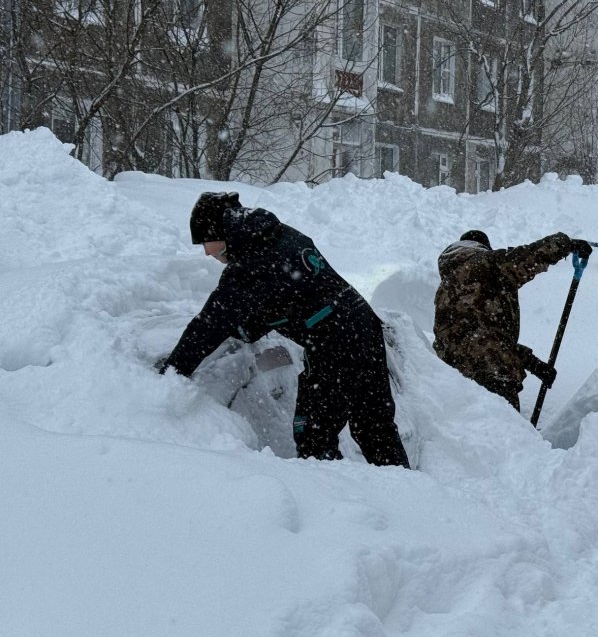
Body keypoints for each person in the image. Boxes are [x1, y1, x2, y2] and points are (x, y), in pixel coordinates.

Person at [157, 192, 411, 468]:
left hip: (334, 341)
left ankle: (334, 502)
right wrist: (250, 327)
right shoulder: (277, 235)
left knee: (314, 436)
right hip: (363, 326)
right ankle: (408, 498)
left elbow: (207, 326)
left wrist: (172, 371)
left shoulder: (248, 263)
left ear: (222, 232)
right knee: (374, 427)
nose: (206, 251)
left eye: (205, 242)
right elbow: (286, 295)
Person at [433, 229, 592, 412]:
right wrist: (565, 244)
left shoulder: (446, 291)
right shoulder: (484, 264)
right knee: (503, 435)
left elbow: (481, 338)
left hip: (455, 388)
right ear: (483, 248)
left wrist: (533, 364)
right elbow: (526, 256)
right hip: (493, 375)